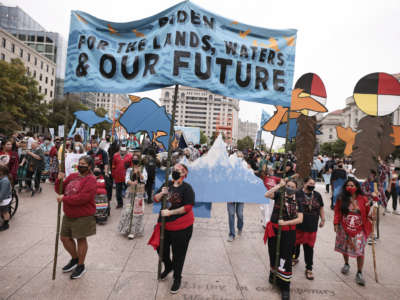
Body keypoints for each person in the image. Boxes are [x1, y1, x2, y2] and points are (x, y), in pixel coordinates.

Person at [148, 163, 195, 294]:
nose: (175, 172)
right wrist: (161, 193)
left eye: (179, 171)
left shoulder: (187, 188)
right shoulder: (167, 184)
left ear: (184, 174)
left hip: (182, 227)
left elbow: (188, 207)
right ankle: (168, 266)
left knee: (178, 254)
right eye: (174, 170)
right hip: (164, 225)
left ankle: (177, 278)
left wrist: (171, 213)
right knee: (160, 248)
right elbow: (155, 198)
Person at [55, 155, 97, 279]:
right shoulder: (73, 176)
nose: (80, 165)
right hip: (69, 213)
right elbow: (60, 190)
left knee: (81, 239)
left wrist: (65, 199)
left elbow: (83, 198)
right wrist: (59, 180)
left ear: (89, 166)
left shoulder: (91, 180)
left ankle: (81, 265)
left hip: (83, 215)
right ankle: (74, 259)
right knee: (64, 238)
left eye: (83, 163)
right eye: (79, 163)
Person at [264, 179, 303, 300]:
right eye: (288, 186)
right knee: (273, 252)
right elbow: (267, 194)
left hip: (288, 233)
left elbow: (300, 219)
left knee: (285, 256)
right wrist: (278, 186)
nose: (290, 188)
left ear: (296, 188)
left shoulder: (298, 201)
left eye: (292, 186)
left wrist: (285, 222)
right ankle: (273, 275)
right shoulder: (280, 194)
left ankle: (285, 286)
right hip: (274, 231)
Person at [334, 178, 374, 286]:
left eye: (352, 185)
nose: (350, 187)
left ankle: (359, 272)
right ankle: (346, 264)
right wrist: (336, 223)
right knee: (345, 247)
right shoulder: (341, 198)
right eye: (348, 185)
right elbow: (337, 211)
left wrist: (372, 213)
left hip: (359, 229)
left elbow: (369, 213)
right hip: (344, 227)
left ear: (356, 187)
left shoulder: (364, 199)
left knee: (360, 250)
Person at [292, 177, 325, 280]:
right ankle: (294, 258)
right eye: (310, 183)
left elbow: (321, 207)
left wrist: (323, 219)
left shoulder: (317, 195)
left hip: (312, 226)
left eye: (314, 184)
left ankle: (309, 268)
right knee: (295, 244)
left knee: (309, 248)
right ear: (304, 183)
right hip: (298, 225)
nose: (312, 185)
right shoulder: (297, 194)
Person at [118, 153, 147, 239]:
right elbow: (126, 180)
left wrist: (139, 173)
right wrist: (132, 182)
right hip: (130, 192)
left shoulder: (143, 169)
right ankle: (126, 228)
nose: (135, 160)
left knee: (137, 212)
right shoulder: (129, 169)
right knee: (127, 210)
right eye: (133, 158)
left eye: (136, 158)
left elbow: (145, 179)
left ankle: (134, 231)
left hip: (139, 192)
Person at [112, 144, 132, 208]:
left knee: (128, 191)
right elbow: (113, 165)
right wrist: (113, 174)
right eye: (121, 151)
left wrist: (131, 176)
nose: (123, 152)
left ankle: (129, 204)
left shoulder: (130, 156)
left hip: (126, 176)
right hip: (118, 176)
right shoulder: (115, 155)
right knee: (118, 192)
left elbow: (131, 167)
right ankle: (120, 203)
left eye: (124, 151)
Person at [0, 165, 12, 231]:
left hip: (4, 199)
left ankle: (6, 224)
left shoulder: (5, 181)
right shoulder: (2, 178)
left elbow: (2, 194)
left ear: (1, 172)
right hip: (2, 197)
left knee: (5, 212)